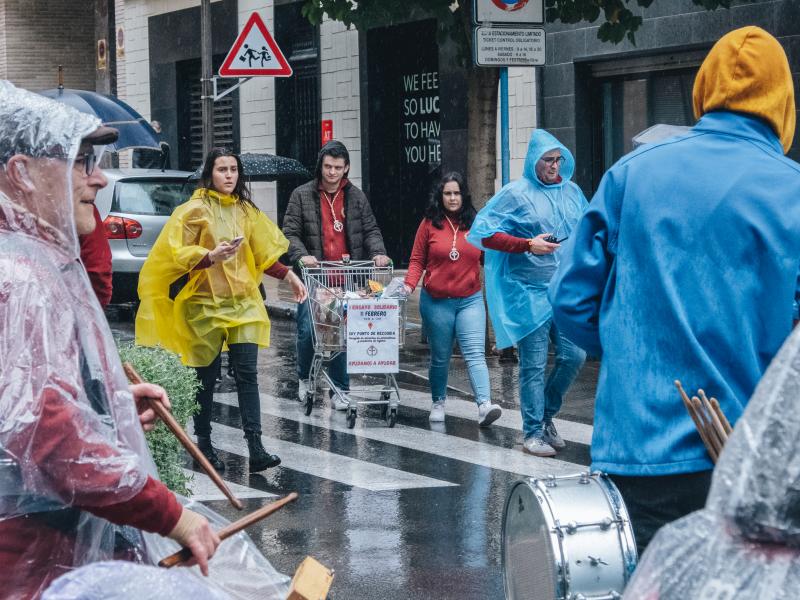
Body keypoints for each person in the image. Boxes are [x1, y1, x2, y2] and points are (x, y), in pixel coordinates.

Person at [549, 27, 800, 554]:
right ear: (783, 101)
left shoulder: (631, 176)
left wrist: (629, 348)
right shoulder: (792, 191)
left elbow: (570, 299)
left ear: (704, 89)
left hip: (640, 449)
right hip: (756, 461)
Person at [0, 80, 220, 598]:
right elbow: (47, 432)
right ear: (22, 173)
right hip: (32, 562)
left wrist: (109, 403)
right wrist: (174, 517)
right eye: (82, 161)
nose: (99, 179)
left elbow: (35, 405)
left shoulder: (33, 263)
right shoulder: (19, 276)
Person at [136, 148, 307, 473]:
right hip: (202, 307)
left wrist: (289, 275)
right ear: (210, 174)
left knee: (247, 375)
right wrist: (209, 256)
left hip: (243, 304)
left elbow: (262, 254)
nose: (229, 175)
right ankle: (204, 446)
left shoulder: (246, 211)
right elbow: (174, 254)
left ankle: (256, 448)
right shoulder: (194, 210)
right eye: (222, 170)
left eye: (233, 170)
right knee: (206, 377)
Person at [467, 130, 587, 457]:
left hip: (563, 291)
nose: (554, 165)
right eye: (548, 160)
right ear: (534, 161)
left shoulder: (572, 192)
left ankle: (546, 416)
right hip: (528, 293)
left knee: (574, 355)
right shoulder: (515, 194)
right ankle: (532, 431)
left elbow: (589, 232)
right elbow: (484, 233)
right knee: (533, 365)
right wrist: (527, 244)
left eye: (558, 159)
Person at [283, 140, 390, 409]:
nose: (332, 172)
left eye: (338, 167)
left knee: (340, 332)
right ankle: (305, 379)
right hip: (314, 278)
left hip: (346, 277)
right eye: (328, 166)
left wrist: (378, 252)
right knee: (309, 331)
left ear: (346, 169)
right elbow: (290, 233)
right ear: (320, 166)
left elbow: (371, 230)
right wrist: (301, 255)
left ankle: (340, 390)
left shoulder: (356, 196)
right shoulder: (301, 195)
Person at [403, 172, 502, 426]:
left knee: (475, 354)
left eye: (457, 193)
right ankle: (438, 401)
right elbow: (416, 261)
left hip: (470, 299)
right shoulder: (429, 224)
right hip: (436, 302)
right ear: (441, 196)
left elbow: (487, 260)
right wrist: (408, 286)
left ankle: (484, 405)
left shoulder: (476, 223)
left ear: (463, 195)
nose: (452, 198)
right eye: (447, 193)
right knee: (440, 355)